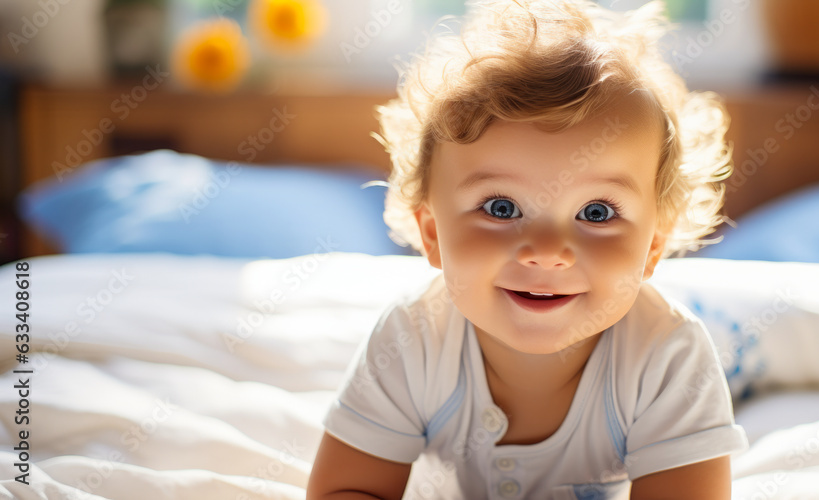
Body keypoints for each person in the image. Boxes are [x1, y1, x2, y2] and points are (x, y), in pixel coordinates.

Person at [308, 0, 747, 498]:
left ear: (653, 247)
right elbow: (345, 490)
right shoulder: (411, 340)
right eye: (500, 207)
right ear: (432, 233)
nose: (546, 252)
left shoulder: (668, 357)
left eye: (596, 213)